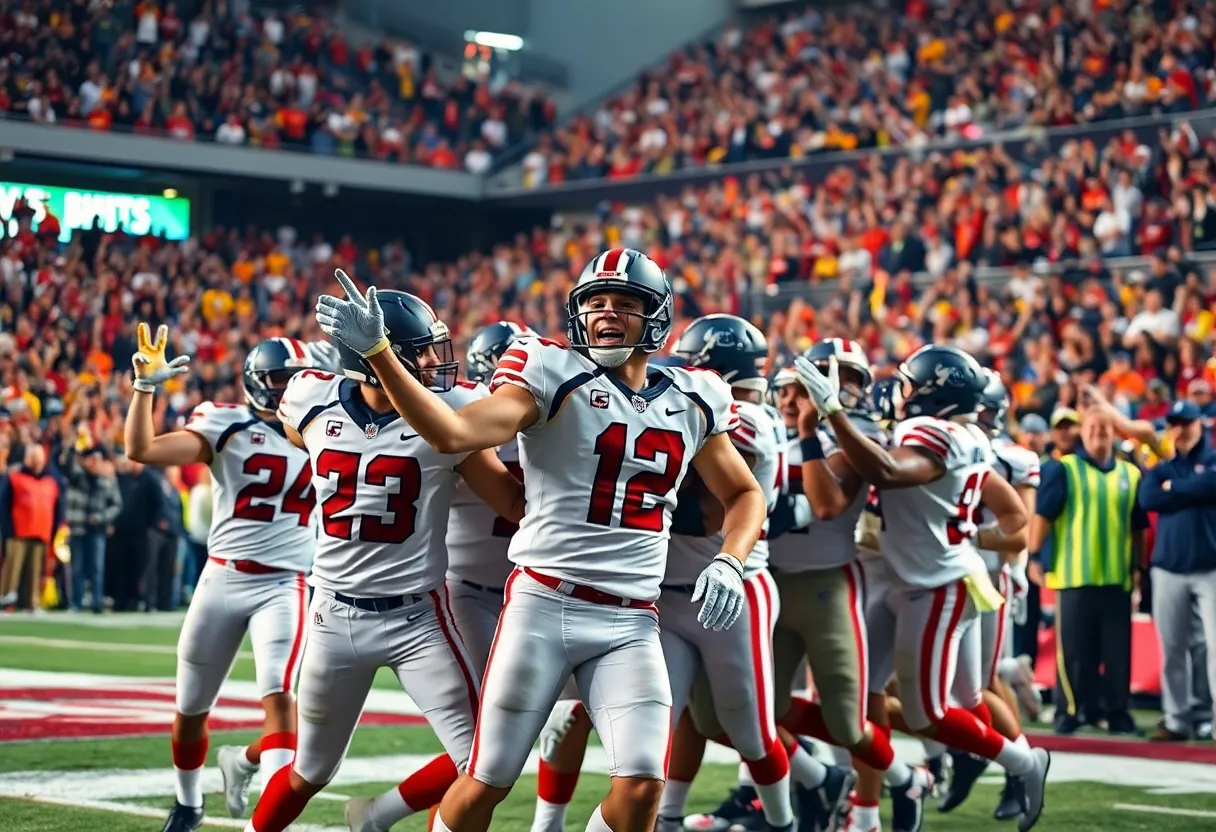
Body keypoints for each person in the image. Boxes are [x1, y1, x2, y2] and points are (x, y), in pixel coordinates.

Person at [315, 252, 766, 832]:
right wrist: (380, 354)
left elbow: (745, 494)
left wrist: (731, 561)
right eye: (596, 302)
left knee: (641, 789)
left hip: (632, 618)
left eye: (625, 304)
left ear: (655, 317)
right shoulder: (549, 370)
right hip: (543, 606)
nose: (607, 314)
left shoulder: (692, 395)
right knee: (485, 781)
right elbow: (454, 431)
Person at [245, 288, 524, 832]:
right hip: (333, 614)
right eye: (421, 351)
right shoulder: (312, 397)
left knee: (486, 765)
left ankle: (383, 818)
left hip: (418, 618)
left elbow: (511, 501)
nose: (436, 363)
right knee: (310, 769)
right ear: (375, 363)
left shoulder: (444, 410)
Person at [796, 344, 1051, 832]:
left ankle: (1022, 761)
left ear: (933, 393)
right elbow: (1003, 509)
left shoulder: (931, 433)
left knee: (930, 711)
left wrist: (831, 414)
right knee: (853, 691)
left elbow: (888, 471)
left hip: (935, 588)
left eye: (910, 383)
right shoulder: (970, 436)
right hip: (907, 578)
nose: (901, 391)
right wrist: (969, 530)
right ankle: (874, 804)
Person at [126, 329, 321, 832]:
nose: (287, 392)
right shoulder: (226, 424)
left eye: (294, 380)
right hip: (222, 577)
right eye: (278, 381)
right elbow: (142, 449)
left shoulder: (324, 428)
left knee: (280, 696)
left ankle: (273, 822)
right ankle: (188, 803)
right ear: (257, 383)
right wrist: (145, 389)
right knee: (191, 705)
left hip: (286, 585)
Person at [343, 320, 532, 832]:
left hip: (530, 594)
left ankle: (381, 814)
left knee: (512, 734)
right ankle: (382, 814)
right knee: (486, 743)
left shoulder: (553, 417)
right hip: (466, 591)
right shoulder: (456, 411)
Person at [652, 315, 796, 832]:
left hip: (732, 587)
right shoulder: (740, 410)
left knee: (751, 729)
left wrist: (639, 502)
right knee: (655, 723)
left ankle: (783, 823)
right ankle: (663, 819)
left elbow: (706, 512)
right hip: (668, 596)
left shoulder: (746, 419)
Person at [937, 370, 1041, 821]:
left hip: (983, 578)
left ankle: (1019, 768)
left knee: (980, 684)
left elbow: (1020, 535)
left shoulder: (1010, 458)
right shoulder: (937, 439)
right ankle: (959, 754)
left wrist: (964, 536)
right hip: (935, 575)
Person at [1030, 408, 1149, 736]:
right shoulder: (1064, 469)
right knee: (1073, 653)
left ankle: (1117, 713)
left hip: (1116, 577)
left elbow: (1138, 526)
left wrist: (1139, 567)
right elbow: (1043, 515)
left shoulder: (1131, 474)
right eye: (1093, 427)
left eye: (1104, 427)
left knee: (1117, 655)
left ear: (1113, 433)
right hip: (1074, 577)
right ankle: (1070, 711)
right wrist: (1034, 554)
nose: (1098, 433)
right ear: (1083, 432)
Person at [1140, 400, 1216, 741]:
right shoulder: (1162, 466)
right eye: (1175, 423)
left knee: (1212, 647)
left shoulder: (1209, 459)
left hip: (1209, 565)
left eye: (1185, 422)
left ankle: (1209, 717)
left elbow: (1210, 486)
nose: (1179, 429)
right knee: (1172, 647)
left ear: (1199, 424)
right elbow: (1148, 498)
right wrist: (1191, 490)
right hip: (1168, 566)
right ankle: (1176, 719)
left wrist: (1177, 489)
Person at [61, 444, 123, 613]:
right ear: (85, 461)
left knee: (96, 568)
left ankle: (97, 603)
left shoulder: (106, 481)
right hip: (78, 528)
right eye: (92, 459)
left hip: (97, 530)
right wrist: (71, 449)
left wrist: (101, 517)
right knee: (77, 568)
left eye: (97, 460)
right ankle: (76, 603)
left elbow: (116, 505)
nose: (95, 463)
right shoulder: (77, 476)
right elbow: (66, 467)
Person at [0, 445, 62, 612]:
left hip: (41, 532)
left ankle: (31, 601)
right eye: (34, 458)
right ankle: (7, 599)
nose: (37, 462)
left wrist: (54, 530)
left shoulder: (50, 481)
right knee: (13, 566)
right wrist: (8, 530)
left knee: (35, 570)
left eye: (39, 458)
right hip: (18, 531)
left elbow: (56, 508)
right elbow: (4, 506)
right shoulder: (15, 478)